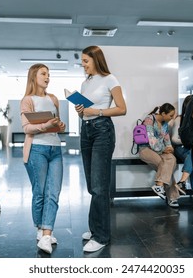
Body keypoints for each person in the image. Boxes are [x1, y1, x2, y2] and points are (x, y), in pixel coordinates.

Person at [74, 45, 126, 253]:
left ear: (96, 60)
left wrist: (95, 111)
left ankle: (101, 235)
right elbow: (85, 112)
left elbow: (122, 108)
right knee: (91, 185)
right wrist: (81, 111)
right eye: (82, 61)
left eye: (86, 60)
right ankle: (95, 227)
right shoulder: (85, 83)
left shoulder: (110, 79)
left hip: (102, 131)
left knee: (99, 186)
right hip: (86, 129)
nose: (83, 64)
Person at [20, 64, 66, 254]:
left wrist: (59, 125)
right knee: (39, 192)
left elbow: (58, 124)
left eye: (49, 74)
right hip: (36, 149)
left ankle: (47, 233)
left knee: (53, 192)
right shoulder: (27, 100)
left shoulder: (54, 99)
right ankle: (40, 228)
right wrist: (45, 125)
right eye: (43, 74)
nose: (47, 77)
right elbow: (26, 128)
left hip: (55, 148)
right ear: (34, 77)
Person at [139, 103, 180, 208]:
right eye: (170, 116)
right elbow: (152, 142)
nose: (171, 118)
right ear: (163, 113)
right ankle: (172, 197)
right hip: (146, 149)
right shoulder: (149, 120)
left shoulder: (165, 123)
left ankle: (159, 186)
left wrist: (170, 148)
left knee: (172, 159)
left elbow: (167, 140)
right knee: (164, 165)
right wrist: (164, 149)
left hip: (161, 151)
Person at [170, 96, 193, 206]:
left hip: (192, 150)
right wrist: (186, 141)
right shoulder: (179, 119)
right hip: (181, 148)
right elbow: (174, 139)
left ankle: (182, 181)